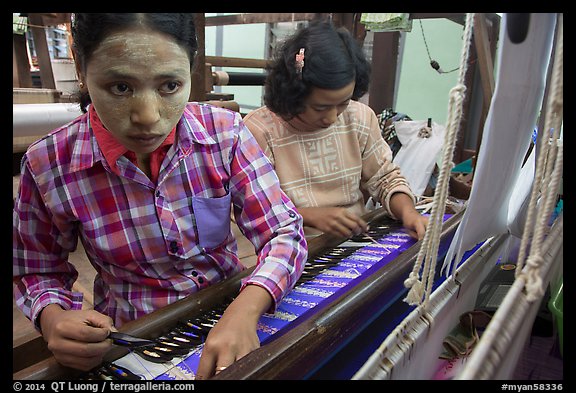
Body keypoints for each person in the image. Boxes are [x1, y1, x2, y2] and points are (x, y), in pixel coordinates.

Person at [12, 13, 307, 380]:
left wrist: (246, 309)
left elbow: (284, 234)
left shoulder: (225, 135)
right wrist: (54, 318)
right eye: (120, 87)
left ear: (191, 68)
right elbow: (36, 269)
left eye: (169, 86)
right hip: (133, 339)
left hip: (232, 311)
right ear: (80, 63)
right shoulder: (49, 166)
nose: (148, 117)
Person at [243, 21, 427, 240]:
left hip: (352, 241)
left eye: (343, 103)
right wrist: (309, 216)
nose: (332, 117)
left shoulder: (359, 117)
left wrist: (409, 212)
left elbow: (385, 178)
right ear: (293, 93)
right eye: (320, 107)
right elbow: (254, 209)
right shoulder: (260, 131)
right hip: (289, 248)